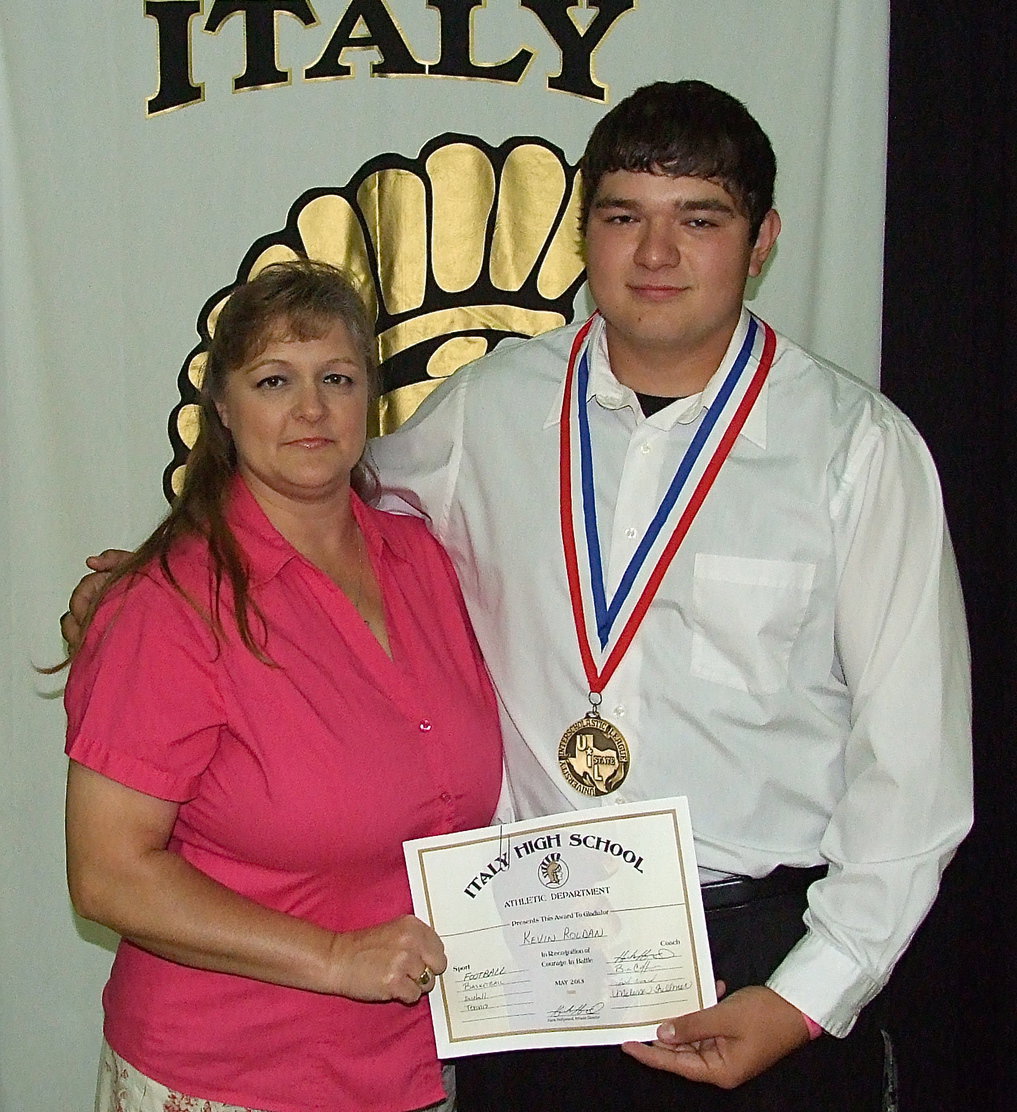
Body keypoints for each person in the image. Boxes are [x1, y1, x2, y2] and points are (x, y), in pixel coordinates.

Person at [66, 81, 972, 1111]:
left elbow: (916, 776)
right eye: (623, 217)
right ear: (586, 233)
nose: (656, 254)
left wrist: (808, 995)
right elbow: (316, 493)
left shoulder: (857, 453)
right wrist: (142, 585)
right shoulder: (487, 412)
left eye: (699, 220)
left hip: (756, 964)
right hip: (525, 963)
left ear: (761, 241)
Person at [62, 259, 502, 1112]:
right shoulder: (169, 603)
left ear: (370, 398)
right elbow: (108, 874)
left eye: (336, 378)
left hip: (420, 1065)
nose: (310, 409)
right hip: (233, 1075)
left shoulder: (423, 561)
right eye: (274, 380)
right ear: (223, 409)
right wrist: (333, 959)